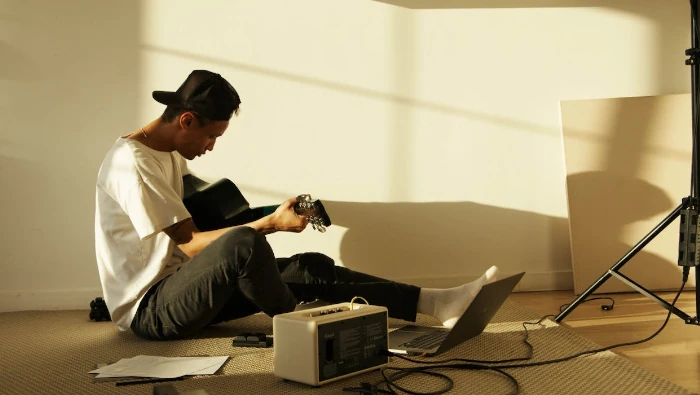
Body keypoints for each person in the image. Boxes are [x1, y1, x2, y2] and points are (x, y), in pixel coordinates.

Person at [94, 70, 499, 340]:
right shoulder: (133, 164)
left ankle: (438, 302)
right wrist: (268, 224)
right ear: (185, 121)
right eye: (210, 136)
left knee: (308, 265)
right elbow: (190, 243)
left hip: (186, 284)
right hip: (149, 310)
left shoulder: (167, 153)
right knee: (244, 245)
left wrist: (277, 211)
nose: (211, 146)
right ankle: (299, 333)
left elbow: (202, 224)